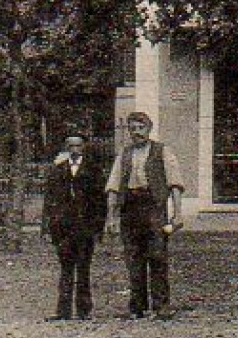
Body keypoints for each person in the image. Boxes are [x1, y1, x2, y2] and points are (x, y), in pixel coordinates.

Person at [105, 112, 186, 318]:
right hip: (130, 208)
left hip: (154, 207)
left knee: (158, 256)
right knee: (133, 258)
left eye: (140, 128)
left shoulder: (162, 151)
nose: (136, 132)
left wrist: (177, 214)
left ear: (148, 129)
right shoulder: (124, 154)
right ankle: (137, 307)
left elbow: (175, 183)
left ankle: (161, 306)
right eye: (132, 129)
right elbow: (113, 187)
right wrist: (111, 217)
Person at [41, 134, 105, 320]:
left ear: (84, 147)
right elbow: (50, 200)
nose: (75, 150)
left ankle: (84, 310)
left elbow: (100, 203)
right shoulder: (58, 170)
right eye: (71, 146)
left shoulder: (93, 171)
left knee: (84, 269)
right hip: (64, 228)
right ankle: (63, 310)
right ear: (66, 148)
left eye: (78, 146)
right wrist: (47, 227)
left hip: (85, 227)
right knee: (66, 268)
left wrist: (98, 228)